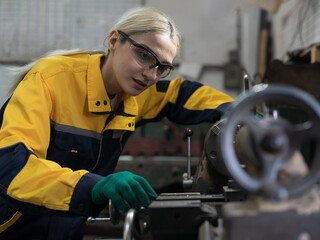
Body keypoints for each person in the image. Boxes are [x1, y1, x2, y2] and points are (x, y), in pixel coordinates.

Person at [0, 6, 233, 239]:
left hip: (67, 230)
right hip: (13, 227)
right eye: (144, 55)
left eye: (162, 67)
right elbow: (12, 167)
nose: (150, 75)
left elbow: (180, 94)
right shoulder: (49, 80)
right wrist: (93, 187)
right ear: (114, 40)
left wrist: (239, 110)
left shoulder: (135, 94)